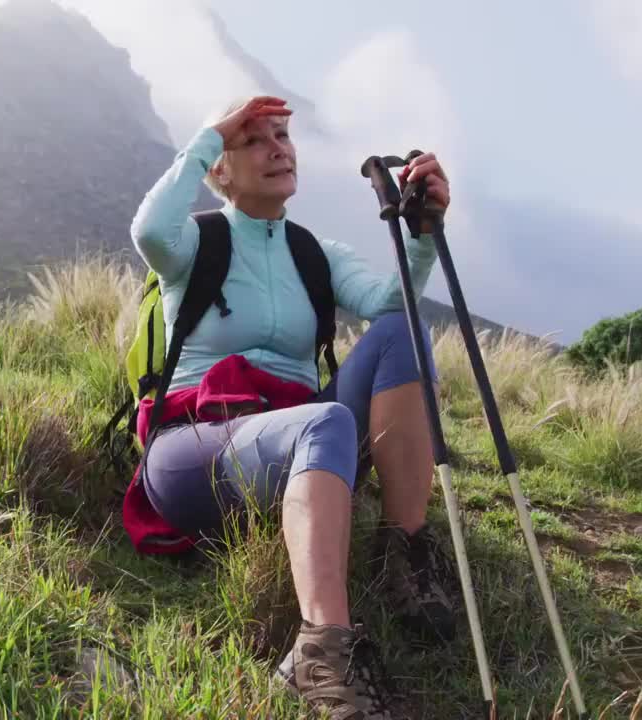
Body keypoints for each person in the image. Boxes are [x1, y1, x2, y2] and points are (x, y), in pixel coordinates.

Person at [129, 95, 459, 719]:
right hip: (193, 450)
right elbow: (147, 230)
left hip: (303, 441)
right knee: (325, 418)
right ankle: (323, 653)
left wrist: (421, 234)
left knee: (403, 331)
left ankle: (404, 556)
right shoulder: (193, 243)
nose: (279, 147)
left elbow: (390, 304)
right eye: (255, 141)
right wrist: (210, 134)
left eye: (283, 135)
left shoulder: (317, 253)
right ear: (218, 169)